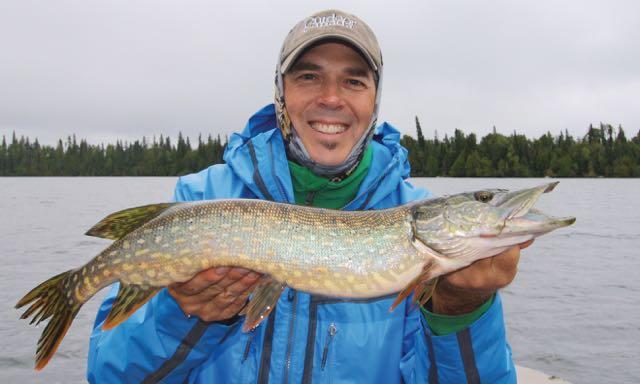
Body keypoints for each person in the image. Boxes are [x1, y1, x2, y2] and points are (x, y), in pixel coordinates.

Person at [87, 9, 530, 383]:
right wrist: (185, 314)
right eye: (309, 76)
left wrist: (459, 311)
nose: (331, 98)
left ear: (375, 101)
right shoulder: (202, 196)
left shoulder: (415, 219)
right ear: (281, 92)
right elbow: (109, 374)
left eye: (354, 81)